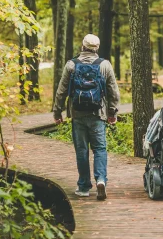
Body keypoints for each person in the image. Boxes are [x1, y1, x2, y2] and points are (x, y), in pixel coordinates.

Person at [53, 34, 120, 200]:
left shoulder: (71, 65)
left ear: (82, 46)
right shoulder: (104, 65)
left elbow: (61, 91)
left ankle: (83, 186)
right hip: (98, 115)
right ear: (97, 48)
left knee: (82, 151)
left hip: (77, 115)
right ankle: (101, 180)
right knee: (99, 149)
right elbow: (113, 92)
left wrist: (57, 111)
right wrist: (112, 112)